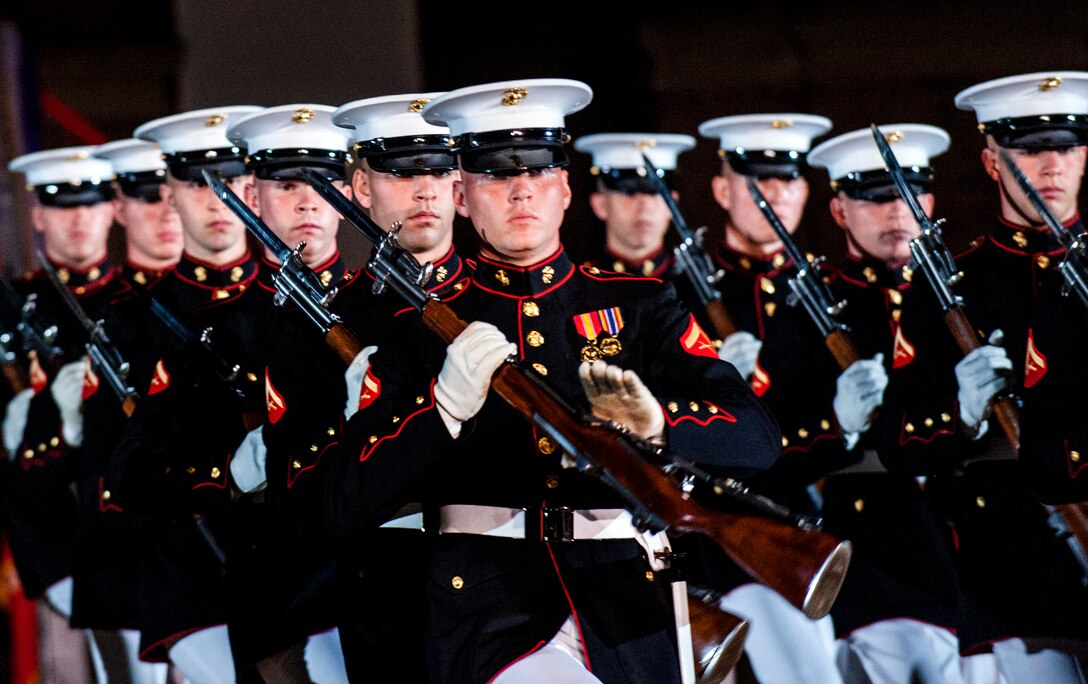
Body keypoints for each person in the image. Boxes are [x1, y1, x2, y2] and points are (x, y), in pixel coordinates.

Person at [304, 77, 782, 684]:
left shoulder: (640, 304)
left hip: (627, 603)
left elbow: (757, 438)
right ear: (462, 196)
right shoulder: (411, 323)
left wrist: (659, 423)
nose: (520, 191)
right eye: (495, 177)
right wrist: (442, 408)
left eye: (537, 171)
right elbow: (342, 500)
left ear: (564, 188)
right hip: (487, 609)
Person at [898, 70, 1088, 683]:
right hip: (1016, 566)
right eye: (1030, 150)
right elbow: (900, 439)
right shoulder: (952, 283)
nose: (1050, 165)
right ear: (991, 161)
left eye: (1066, 146)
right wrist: (960, 411)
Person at [669, 113, 843, 684]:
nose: (774, 193)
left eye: (787, 179)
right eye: (756, 180)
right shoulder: (680, 293)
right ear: (721, 190)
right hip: (733, 528)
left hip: (823, 525)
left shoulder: (828, 291)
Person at [106, 104, 265, 683]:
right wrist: (222, 476)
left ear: (251, 186)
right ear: (169, 194)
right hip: (193, 574)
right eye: (196, 182)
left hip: (301, 570)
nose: (215, 197)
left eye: (229, 179)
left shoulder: (296, 304)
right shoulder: (130, 320)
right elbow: (118, 473)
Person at [808, 123, 967, 683]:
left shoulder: (965, 290)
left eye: (911, 193)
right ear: (839, 210)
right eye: (875, 197)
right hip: (878, 561)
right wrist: (838, 425)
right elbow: (774, 445)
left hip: (974, 548)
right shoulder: (814, 303)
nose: (898, 211)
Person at [5, 145, 122, 683]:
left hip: (134, 535)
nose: (78, 219)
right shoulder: (14, 308)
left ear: (112, 209)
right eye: (61, 206)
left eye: (91, 203)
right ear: (36, 216)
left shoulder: (136, 303)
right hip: (54, 542)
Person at [573, 132, 694, 278]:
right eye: (629, 193)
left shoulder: (694, 291)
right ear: (600, 205)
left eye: (656, 193)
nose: (644, 206)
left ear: (672, 204)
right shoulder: (580, 286)